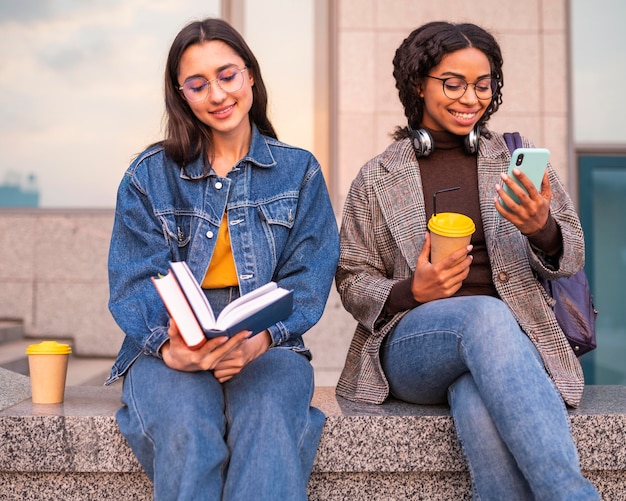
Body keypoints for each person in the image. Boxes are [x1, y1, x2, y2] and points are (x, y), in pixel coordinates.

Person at [335, 21, 600, 500]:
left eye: (482, 85)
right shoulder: (378, 177)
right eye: (453, 83)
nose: (470, 98)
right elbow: (352, 278)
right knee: (484, 313)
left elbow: (574, 254)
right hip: (413, 346)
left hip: (511, 350)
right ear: (419, 83)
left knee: (478, 399)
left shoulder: (516, 160)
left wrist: (541, 227)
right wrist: (412, 291)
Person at [105, 18, 339, 500]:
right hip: (169, 344)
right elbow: (133, 280)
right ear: (182, 95)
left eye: (227, 75)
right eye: (198, 83)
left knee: (269, 426)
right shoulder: (149, 176)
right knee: (189, 429)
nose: (217, 94)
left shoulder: (299, 172)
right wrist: (171, 348)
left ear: (250, 75)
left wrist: (260, 340)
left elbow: (308, 278)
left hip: (268, 343)